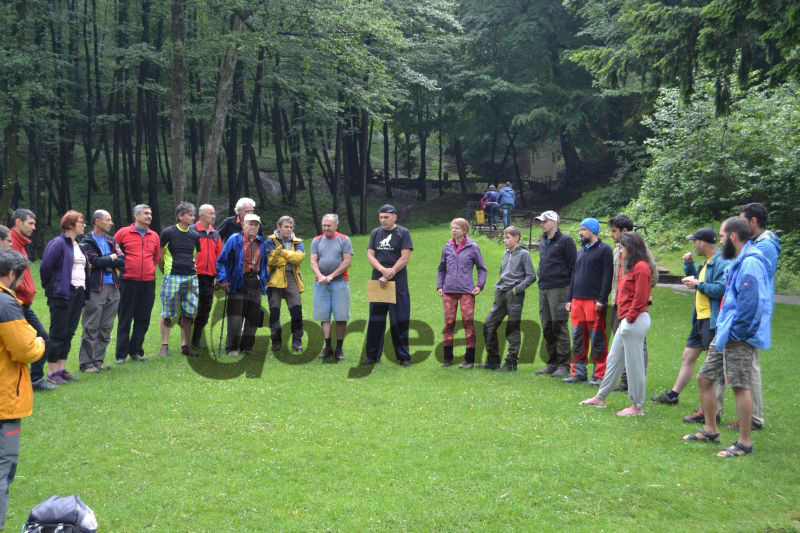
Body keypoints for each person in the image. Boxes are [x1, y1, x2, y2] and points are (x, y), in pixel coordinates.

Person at [682, 217, 772, 458]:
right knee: (704, 378)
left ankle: (744, 443)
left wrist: (735, 334)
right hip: (725, 331)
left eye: (722, 236)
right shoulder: (738, 261)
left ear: (733, 236)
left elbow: (751, 304)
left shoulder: (751, 263)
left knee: (740, 386)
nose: (720, 241)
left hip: (737, 335)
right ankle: (710, 430)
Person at [712, 202, 782, 431]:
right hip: (736, 317)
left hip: (745, 319)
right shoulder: (756, 245)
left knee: (746, 371)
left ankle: (751, 420)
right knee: (738, 367)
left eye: (743, 220)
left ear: (752, 222)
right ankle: (718, 411)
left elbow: (752, 289)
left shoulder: (763, 249)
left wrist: (738, 329)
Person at [650, 228, 729, 406]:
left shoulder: (722, 262)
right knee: (688, 355)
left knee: (713, 364)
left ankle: (713, 408)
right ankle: (673, 395)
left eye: (695, 241)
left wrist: (697, 284)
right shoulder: (707, 262)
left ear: (702, 242)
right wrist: (689, 266)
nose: (694, 245)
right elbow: (701, 281)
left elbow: (720, 289)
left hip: (712, 318)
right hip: (700, 318)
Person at [580, 232, 653, 416]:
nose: (620, 251)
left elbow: (641, 296)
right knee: (614, 359)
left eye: (622, 247)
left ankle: (636, 406)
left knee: (633, 364)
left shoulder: (641, 267)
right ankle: (600, 397)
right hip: (627, 320)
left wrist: (629, 318)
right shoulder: (629, 266)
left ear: (632, 248)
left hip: (634, 320)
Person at [0, 248, 46, 531]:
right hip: (4, 402)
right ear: (13, 274)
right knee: (3, 471)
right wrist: (39, 340)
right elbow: (26, 349)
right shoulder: (5, 304)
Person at [608, 215, 659, 391]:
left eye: (614, 231)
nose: (611, 235)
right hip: (618, 303)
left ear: (625, 231)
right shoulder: (617, 250)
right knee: (619, 340)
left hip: (635, 306)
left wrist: (640, 293)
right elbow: (616, 278)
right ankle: (624, 380)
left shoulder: (641, 250)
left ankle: (635, 381)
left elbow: (652, 275)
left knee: (638, 343)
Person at [39, 211, 89, 384]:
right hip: (61, 294)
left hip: (78, 293)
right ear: (70, 224)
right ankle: (52, 373)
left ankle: (62, 369)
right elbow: (45, 267)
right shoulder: (58, 243)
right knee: (58, 333)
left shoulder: (79, 245)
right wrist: (53, 287)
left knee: (69, 332)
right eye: (81, 221)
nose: (84, 225)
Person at [563, 217, 614, 385]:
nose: (580, 232)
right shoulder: (581, 251)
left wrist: (602, 299)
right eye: (580, 229)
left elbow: (608, 276)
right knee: (578, 337)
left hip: (594, 301)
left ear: (592, 230)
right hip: (577, 301)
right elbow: (574, 276)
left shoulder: (604, 250)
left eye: (583, 229)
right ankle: (578, 373)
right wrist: (569, 298)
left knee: (597, 338)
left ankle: (600, 375)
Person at [9, 209, 54, 390]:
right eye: (30, 223)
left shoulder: (21, 245)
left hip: (24, 304)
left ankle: (33, 380)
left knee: (41, 339)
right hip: (14, 304)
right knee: (39, 339)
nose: (34, 227)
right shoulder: (10, 244)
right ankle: (30, 380)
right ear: (18, 222)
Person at [364, 205, 414, 366]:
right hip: (378, 281)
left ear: (394, 217)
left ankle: (403, 356)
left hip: (397, 282)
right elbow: (370, 255)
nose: (383, 220)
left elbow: (405, 257)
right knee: (376, 319)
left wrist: (391, 272)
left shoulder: (403, 233)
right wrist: (382, 270)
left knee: (399, 319)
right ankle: (372, 356)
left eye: (386, 217)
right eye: (381, 217)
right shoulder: (375, 233)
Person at [482, 226, 536, 371]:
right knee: (488, 324)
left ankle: (511, 363)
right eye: (504, 238)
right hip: (500, 293)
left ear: (516, 238)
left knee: (512, 328)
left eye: (507, 238)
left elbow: (531, 276)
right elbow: (502, 273)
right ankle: (492, 361)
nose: (504, 240)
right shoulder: (505, 253)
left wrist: (516, 289)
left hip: (513, 295)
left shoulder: (524, 254)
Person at [436, 218, 488, 369]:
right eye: (452, 227)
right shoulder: (447, 247)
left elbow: (482, 268)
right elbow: (441, 269)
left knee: (468, 323)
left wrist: (480, 285)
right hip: (448, 291)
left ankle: (469, 360)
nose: (453, 230)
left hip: (466, 291)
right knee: (449, 323)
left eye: (457, 228)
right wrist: (440, 286)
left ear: (464, 230)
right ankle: (447, 359)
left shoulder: (473, 247)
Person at [77, 210, 124, 373]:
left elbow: (123, 262)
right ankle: (86, 363)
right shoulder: (86, 240)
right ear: (97, 221)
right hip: (96, 287)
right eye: (108, 220)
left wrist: (108, 259)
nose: (111, 223)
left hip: (114, 288)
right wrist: (111, 259)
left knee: (106, 327)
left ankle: (98, 361)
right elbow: (94, 261)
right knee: (91, 325)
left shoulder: (111, 240)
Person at [114, 204, 161, 363]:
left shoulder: (154, 235)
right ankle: (121, 354)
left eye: (150, 213)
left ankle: (136, 351)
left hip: (148, 282)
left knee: (143, 318)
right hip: (128, 281)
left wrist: (148, 270)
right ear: (136, 215)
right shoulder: (123, 232)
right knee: (125, 317)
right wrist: (124, 266)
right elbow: (113, 251)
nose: (149, 216)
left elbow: (155, 257)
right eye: (146, 213)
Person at [217, 214, 268, 356]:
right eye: (250, 224)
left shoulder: (261, 242)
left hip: (255, 282)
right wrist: (223, 280)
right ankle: (232, 348)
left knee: (253, 317)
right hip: (238, 281)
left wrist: (263, 279)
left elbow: (264, 263)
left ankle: (247, 347)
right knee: (235, 317)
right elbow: (221, 261)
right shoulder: (234, 239)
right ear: (244, 225)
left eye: (256, 225)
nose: (253, 227)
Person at [534, 210, 576, 377]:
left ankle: (564, 365)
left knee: (559, 325)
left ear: (554, 222)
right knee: (546, 326)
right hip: (543, 288)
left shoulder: (566, 241)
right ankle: (552, 363)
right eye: (540, 221)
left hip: (560, 288)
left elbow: (573, 267)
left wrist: (571, 292)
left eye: (544, 221)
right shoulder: (543, 241)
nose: (541, 224)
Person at [158, 202, 201, 357]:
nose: (193, 217)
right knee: (168, 312)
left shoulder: (195, 235)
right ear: (180, 216)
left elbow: (196, 256)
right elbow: (160, 257)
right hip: (172, 277)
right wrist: (167, 273)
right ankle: (164, 345)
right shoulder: (168, 232)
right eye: (190, 214)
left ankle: (185, 345)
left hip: (191, 277)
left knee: (189, 313)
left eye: (194, 214)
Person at [310, 214, 353, 362]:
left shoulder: (344, 240)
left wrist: (331, 276)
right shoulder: (317, 240)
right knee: (324, 316)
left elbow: (347, 262)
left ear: (336, 226)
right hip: (321, 284)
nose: (326, 228)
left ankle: (339, 348)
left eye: (329, 225)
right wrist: (320, 275)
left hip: (340, 283)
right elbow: (313, 261)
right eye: (324, 225)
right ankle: (327, 346)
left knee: (341, 317)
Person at [264, 216, 305, 353]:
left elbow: (299, 258)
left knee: (297, 311)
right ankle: (276, 340)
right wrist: (289, 256)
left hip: (292, 278)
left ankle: (297, 340)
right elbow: (272, 260)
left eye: (291, 227)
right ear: (279, 227)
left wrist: (282, 253)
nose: (288, 229)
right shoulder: (269, 241)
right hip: (274, 279)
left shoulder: (297, 241)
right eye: (286, 227)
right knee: (274, 312)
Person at [191, 204, 223, 350]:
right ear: (202, 215)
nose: (214, 216)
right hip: (192, 275)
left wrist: (219, 277)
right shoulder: (191, 231)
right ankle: (186, 340)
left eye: (214, 213)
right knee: (189, 308)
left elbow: (220, 257)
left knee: (205, 308)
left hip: (209, 277)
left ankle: (196, 340)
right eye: (211, 213)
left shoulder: (216, 234)